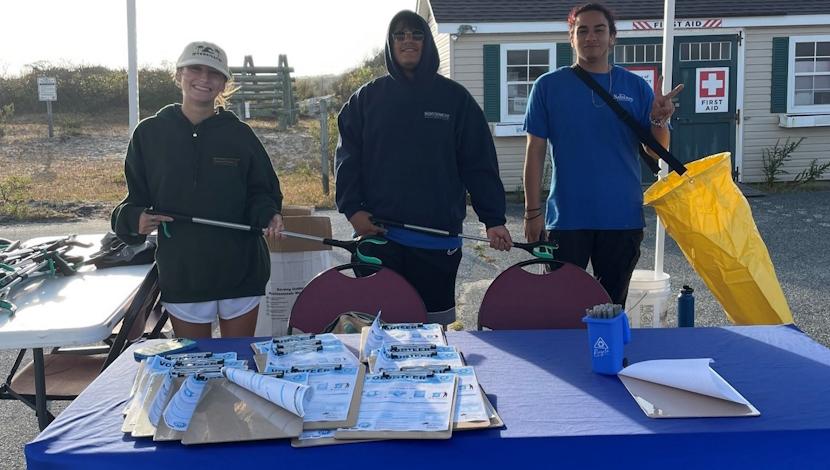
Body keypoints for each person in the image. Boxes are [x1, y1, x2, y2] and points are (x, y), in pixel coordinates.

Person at [335, 10, 513, 326]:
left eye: (416, 34)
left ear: (427, 42)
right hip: (379, 237)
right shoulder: (366, 99)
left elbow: (479, 163)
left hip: (437, 240)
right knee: (376, 329)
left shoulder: (454, 99)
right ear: (389, 43)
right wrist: (352, 210)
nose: (408, 41)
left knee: (432, 331)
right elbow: (348, 158)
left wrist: (494, 219)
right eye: (400, 35)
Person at [111, 41, 284, 338]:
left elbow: (263, 193)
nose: (204, 79)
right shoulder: (148, 134)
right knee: (197, 369)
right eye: (195, 69)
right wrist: (134, 219)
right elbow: (131, 204)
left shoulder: (240, 135)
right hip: (184, 274)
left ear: (223, 84)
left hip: (240, 271)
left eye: (214, 73)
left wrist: (269, 215)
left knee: (238, 365)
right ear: (179, 74)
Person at [522, 3, 682, 305]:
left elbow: (655, 149)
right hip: (566, 219)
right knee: (560, 308)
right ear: (571, 38)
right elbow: (535, 152)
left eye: (599, 29)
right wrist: (532, 212)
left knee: (610, 309)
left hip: (621, 218)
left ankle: (608, 354)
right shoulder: (548, 87)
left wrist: (659, 119)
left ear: (612, 38)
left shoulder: (635, 87)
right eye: (582, 30)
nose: (590, 36)